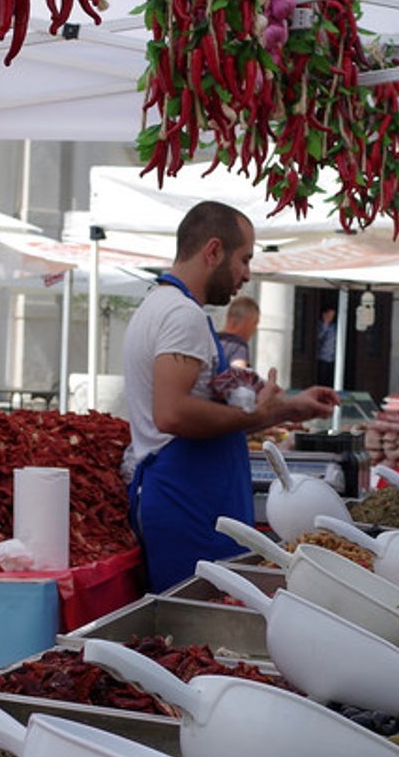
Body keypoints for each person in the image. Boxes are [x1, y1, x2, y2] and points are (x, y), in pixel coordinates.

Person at [123, 201, 338, 592]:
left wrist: (289, 407)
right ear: (213, 251)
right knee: (199, 629)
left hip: (191, 500)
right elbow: (172, 413)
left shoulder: (162, 306)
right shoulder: (181, 316)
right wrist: (255, 417)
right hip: (189, 504)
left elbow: (210, 404)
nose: (246, 275)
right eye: (244, 259)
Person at [217, 295, 260, 370]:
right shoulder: (238, 347)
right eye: (255, 323)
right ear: (248, 321)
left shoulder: (210, 340)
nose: (255, 330)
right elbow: (238, 376)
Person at [314, 306, 339, 389]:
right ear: (324, 314)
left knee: (330, 380)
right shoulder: (320, 325)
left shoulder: (334, 327)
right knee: (322, 379)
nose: (331, 318)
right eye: (329, 315)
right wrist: (325, 325)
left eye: (333, 316)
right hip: (322, 357)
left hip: (332, 357)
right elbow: (318, 337)